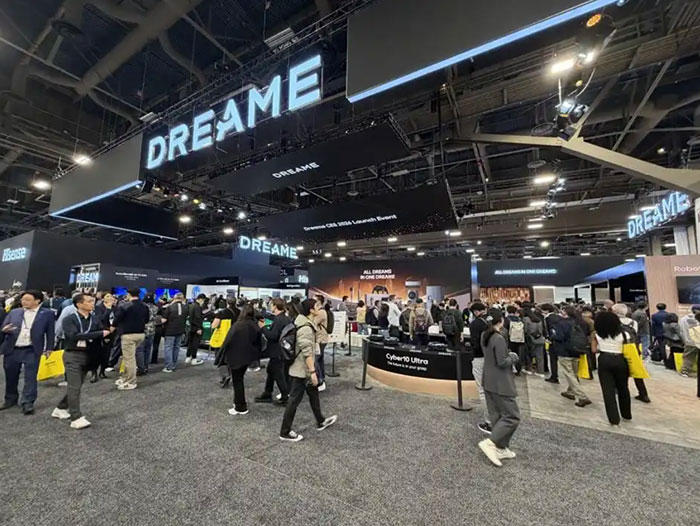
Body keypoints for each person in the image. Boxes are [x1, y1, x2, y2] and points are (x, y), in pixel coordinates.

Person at [280, 298, 337, 442]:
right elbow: (307, 352)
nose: (319, 308)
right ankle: (285, 431)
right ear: (311, 310)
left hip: (304, 368)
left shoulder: (305, 323)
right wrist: (312, 372)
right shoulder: (305, 327)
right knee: (294, 400)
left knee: (313, 394)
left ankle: (320, 420)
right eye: (317, 306)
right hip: (301, 370)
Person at [51, 294, 110, 429]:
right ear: (79, 304)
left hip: (89, 354)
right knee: (75, 386)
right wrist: (99, 334)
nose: (92, 304)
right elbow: (74, 336)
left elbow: (103, 331)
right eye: (88, 301)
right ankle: (76, 417)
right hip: (73, 355)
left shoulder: (94, 318)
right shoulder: (69, 319)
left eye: (92, 301)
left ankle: (61, 408)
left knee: (76, 385)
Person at [0, 290, 55, 414]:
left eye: (28, 299)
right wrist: (5, 329)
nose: (24, 302)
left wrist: (49, 348)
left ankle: (28, 402)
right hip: (12, 348)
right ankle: (10, 399)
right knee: (11, 375)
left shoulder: (47, 314)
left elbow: (50, 332)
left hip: (32, 349)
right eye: (23, 299)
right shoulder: (14, 312)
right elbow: (3, 327)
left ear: (37, 301)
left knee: (30, 377)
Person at [477, 310, 520, 467]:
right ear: (501, 320)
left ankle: (501, 448)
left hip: (488, 380)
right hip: (501, 383)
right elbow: (502, 361)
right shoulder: (498, 338)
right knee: (512, 416)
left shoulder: (485, 335)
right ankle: (491, 442)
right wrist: (513, 357)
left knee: (496, 416)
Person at [222, 304, 262, 416]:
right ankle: (239, 404)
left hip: (236, 357)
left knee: (237, 381)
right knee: (239, 380)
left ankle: (240, 406)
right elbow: (258, 342)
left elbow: (228, 340)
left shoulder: (238, 325)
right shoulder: (254, 326)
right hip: (247, 357)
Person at [594, 311, 632, 426]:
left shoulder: (596, 334)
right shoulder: (625, 334)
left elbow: (594, 350)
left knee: (607, 390)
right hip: (620, 360)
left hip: (604, 359)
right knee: (623, 387)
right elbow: (629, 348)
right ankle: (626, 413)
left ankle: (613, 418)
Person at [111, 289, 150, 390]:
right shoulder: (144, 306)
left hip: (128, 335)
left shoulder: (125, 306)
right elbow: (146, 320)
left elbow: (117, 319)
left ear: (128, 294)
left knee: (129, 359)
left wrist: (112, 327)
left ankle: (131, 382)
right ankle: (125, 378)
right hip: (140, 334)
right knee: (128, 357)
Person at [612, 303, 651, 403]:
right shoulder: (633, 322)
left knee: (622, 372)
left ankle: (621, 391)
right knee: (636, 371)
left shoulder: (614, 322)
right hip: (633, 348)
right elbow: (635, 334)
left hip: (620, 348)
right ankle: (643, 394)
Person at [255, 298, 291, 405]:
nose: (270, 306)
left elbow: (273, 336)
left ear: (275, 306)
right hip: (280, 351)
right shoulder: (284, 318)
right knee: (271, 371)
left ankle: (285, 397)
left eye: (271, 304)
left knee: (278, 375)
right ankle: (267, 393)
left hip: (277, 351)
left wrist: (263, 328)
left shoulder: (279, 319)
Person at [555, 306, 592, 407]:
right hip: (577, 350)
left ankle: (582, 396)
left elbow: (559, 337)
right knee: (574, 373)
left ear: (565, 313)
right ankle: (570, 391)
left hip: (564, 351)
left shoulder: (562, 323)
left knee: (569, 374)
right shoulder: (582, 322)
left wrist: (553, 336)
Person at [469, 302, 491, 434]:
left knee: (482, 390)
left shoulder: (475, 324)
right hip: (493, 357)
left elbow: (475, 343)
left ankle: (489, 422)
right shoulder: (492, 320)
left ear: (475, 312)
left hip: (479, 358)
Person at [212, 298, 239, 388]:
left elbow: (214, 325)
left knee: (220, 357)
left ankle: (225, 376)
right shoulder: (240, 312)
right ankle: (232, 375)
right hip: (235, 338)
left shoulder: (222, 312)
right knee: (231, 358)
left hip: (223, 339)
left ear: (227, 303)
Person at [161, 293, 188, 373]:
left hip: (170, 331)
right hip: (180, 330)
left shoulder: (170, 307)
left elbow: (164, 320)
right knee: (176, 348)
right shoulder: (186, 307)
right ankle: (173, 365)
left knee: (168, 348)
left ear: (174, 298)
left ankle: (168, 367)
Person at [91, 292, 115, 382]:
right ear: (103, 298)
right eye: (107, 296)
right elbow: (100, 319)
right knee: (96, 354)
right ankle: (94, 373)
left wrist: (114, 326)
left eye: (111, 296)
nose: (110, 298)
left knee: (106, 353)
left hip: (111, 332)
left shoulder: (115, 308)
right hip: (100, 332)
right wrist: (108, 309)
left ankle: (102, 371)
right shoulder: (98, 308)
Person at [136, 294, 159, 375]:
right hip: (152, 330)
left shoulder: (141, 307)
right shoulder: (155, 307)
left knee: (140, 350)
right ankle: (146, 366)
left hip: (142, 329)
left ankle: (140, 367)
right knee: (148, 350)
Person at [312, 295, 330, 392]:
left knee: (315, 360)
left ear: (318, 301)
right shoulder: (320, 311)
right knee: (320, 360)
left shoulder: (321, 312)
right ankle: (322, 378)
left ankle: (320, 381)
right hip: (321, 339)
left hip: (320, 340)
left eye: (314, 299)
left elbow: (313, 323)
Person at [541, 303, 562, 384]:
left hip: (552, 341)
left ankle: (554, 376)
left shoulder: (547, 318)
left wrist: (549, 338)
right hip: (560, 341)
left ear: (546, 310)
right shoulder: (559, 317)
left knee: (553, 360)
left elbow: (549, 330)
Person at [522, 305, 545, 377]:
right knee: (540, 356)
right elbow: (541, 330)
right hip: (539, 339)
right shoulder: (538, 319)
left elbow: (525, 330)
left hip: (530, 340)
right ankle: (541, 372)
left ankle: (529, 369)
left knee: (529, 355)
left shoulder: (526, 319)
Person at [679, 305, 700, 377]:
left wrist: (684, 339)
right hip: (698, 341)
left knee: (688, 357)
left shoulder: (683, 319)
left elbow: (681, 330)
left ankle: (685, 371)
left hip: (689, 341)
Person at [185, 294, 206, 366]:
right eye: (203, 300)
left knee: (190, 343)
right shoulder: (197, 307)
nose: (203, 302)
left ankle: (188, 357)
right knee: (195, 343)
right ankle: (194, 358)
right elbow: (198, 318)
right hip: (196, 328)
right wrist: (199, 328)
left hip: (190, 327)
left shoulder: (191, 305)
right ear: (200, 299)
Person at [503, 305, 525, 375]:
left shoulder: (506, 319)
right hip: (520, 339)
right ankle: (518, 370)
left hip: (510, 340)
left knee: (510, 354)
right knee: (518, 355)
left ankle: (511, 369)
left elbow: (504, 332)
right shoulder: (520, 319)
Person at [581, 306, 597, 375]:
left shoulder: (583, 320)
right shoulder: (591, 321)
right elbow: (593, 330)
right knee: (592, 354)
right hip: (590, 338)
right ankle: (593, 366)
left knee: (588, 354)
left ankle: (589, 367)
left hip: (586, 338)